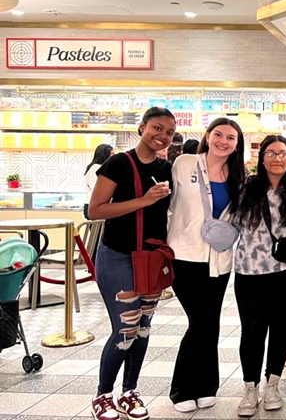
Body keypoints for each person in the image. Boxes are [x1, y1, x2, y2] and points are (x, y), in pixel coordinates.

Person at [88, 107, 175, 420]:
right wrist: (145, 199)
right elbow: (95, 210)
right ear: (142, 127)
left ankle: (129, 392)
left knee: (143, 329)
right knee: (125, 328)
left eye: (168, 132)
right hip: (117, 256)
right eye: (156, 127)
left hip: (151, 258)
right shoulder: (118, 163)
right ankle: (103, 395)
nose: (161, 135)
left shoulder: (167, 168)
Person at [167, 118, 246, 413]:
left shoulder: (238, 176)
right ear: (208, 136)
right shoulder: (184, 163)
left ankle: (206, 386)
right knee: (198, 322)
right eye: (218, 135)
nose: (223, 141)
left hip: (218, 260)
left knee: (209, 322)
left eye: (231, 138)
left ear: (237, 145)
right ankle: (181, 389)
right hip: (183, 255)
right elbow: (167, 203)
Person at [233, 135, 286, 417]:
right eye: (271, 153)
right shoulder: (246, 187)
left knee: (281, 329)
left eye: (283, 153)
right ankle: (250, 388)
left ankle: (273, 384)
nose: (277, 158)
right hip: (249, 270)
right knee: (252, 331)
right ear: (262, 158)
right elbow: (229, 223)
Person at [84, 144, 113, 220]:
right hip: (93, 206)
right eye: (112, 154)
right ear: (104, 155)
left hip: (100, 206)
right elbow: (97, 188)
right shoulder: (96, 168)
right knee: (99, 231)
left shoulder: (104, 168)